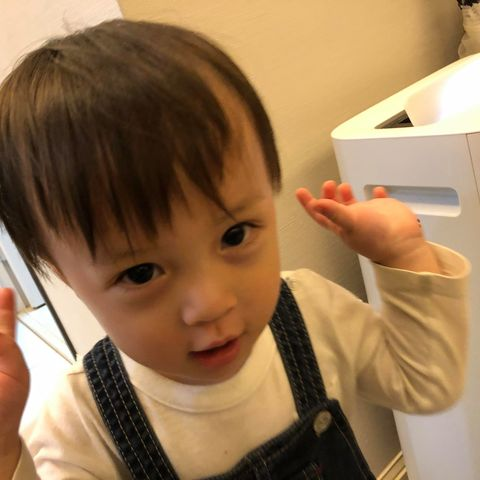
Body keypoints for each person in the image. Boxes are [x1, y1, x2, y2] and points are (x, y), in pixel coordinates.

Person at [0, 19, 469, 480]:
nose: (211, 304)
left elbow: (424, 384)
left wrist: (405, 256)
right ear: (63, 275)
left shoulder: (312, 311)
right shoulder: (80, 427)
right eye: (141, 272)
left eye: (235, 234)